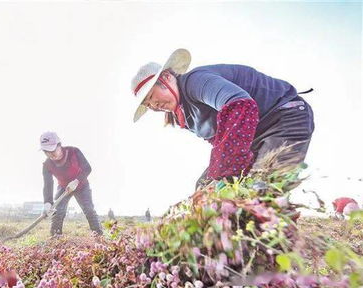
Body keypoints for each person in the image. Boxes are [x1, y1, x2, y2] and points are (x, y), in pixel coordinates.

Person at [131, 49, 315, 187]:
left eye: (151, 97)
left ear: (166, 77)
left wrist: (225, 172)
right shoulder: (185, 116)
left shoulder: (196, 81)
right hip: (255, 138)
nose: (154, 106)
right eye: (147, 105)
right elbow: (222, 140)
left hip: (284, 117)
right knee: (204, 189)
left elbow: (241, 105)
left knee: (261, 189)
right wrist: (220, 177)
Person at [40, 131, 102, 236]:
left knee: (89, 210)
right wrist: (47, 203)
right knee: (57, 212)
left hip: (81, 185)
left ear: (59, 145)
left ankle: (99, 236)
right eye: (46, 151)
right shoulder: (47, 165)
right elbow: (48, 185)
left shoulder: (74, 152)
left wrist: (76, 181)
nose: (51, 154)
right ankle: (56, 238)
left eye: (53, 150)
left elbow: (87, 168)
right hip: (64, 187)